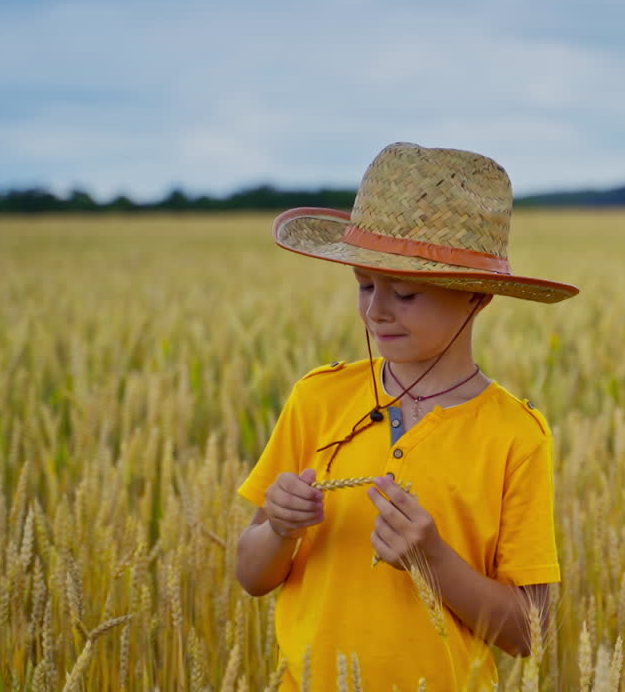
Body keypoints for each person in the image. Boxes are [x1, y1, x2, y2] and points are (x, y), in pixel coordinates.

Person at [234, 142, 579, 691]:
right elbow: (251, 576)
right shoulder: (318, 399)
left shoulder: (516, 435)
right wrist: (277, 527)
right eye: (365, 286)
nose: (375, 311)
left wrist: (433, 559)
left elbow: (529, 634)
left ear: (476, 297)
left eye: (405, 292)